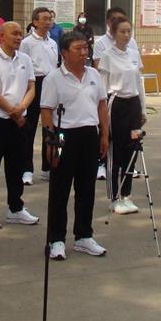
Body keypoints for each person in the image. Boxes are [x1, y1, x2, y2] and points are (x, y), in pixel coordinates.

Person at [41, 31, 109, 259]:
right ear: (64, 52)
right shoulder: (53, 78)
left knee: (86, 188)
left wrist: (104, 134)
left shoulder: (93, 74)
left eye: (85, 48)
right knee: (60, 189)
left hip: (89, 134)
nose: (83, 53)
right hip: (63, 135)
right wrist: (50, 142)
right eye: (78, 49)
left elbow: (101, 105)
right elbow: (46, 111)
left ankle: (83, 236)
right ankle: (56, 239)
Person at [0, 21, 39, 228]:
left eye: (20, 34)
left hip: (19, 121)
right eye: (14, 33)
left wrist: (21, 108)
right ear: (1, 36)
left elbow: (31, 88)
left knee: (16, 167)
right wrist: (13, 112)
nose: (18, 37)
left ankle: (15, 208)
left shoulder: (25, 59)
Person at [98, 16, 146, 215]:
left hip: (133, 104)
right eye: (122, 32)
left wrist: (143, 109)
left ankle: (126, 195)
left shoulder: (134, 54)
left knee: (132, 149)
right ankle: (114, 197)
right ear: (113, 33)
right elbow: (102, 87)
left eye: (129, 31)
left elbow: (139, 83)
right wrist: (102, 118)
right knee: (116, 151)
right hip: (116, 104)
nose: (126, 35)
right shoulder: (107, 56)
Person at [20, 7, 60, 186]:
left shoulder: (52, 42)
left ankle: (47, 167)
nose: (48, 21)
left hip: (51, 83)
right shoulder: (27, 43)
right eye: (44, 18)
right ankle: (26, 169)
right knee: (28, 129)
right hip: (34, 83)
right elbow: (22, 66)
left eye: (50, 18)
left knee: (50, 127)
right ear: (35, 22)